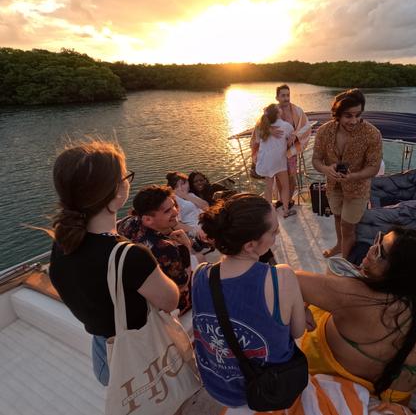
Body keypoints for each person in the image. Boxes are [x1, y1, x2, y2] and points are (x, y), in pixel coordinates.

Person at [48, 141, 179, 387]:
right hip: (140, 357)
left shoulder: (61, 242)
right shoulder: (129, 255)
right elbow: (170, 301)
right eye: (125, 176)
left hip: (103, 352)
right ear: (116, 193)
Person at [296, 227, 416, 405]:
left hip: (336, 377)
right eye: (378, 239)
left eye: (381, 253)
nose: (372, 248)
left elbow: (288, 279)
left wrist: (303, 308)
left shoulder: (358, 297)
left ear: (399, 273)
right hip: (395, 394)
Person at [191, 193, 307, 407]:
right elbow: (299, 331)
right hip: (267, 390)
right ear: (250, 246)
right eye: (273, 232)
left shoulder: (199, 274)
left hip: (218, 387)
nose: (277, 235)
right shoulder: (280, 277)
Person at [312, 88, 383, 259]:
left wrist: (352, 176)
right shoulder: (324, 131)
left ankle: (345, 261)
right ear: (337, 114)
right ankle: (339, 245)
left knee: (347, 226)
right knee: (337, 217)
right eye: (348, 116)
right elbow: (316, 160)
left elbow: (373, 168)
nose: (354, 121)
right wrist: (326, 169)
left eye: (358, 115)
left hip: (357, 189)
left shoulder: (372, 134)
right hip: (333, 186)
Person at [117, 185, 193, 315]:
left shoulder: (127, 222)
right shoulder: (166, 248)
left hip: (137, 294)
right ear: (147, 219)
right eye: (167, 211)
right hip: (167, 307)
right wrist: (186, 248)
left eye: (174, 205)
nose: (175, 212)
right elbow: (182, 284)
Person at [251, 84, 310, 209]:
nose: (286, 98)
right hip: (276, 152)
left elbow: (306, 126)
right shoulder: (271, 110)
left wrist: (295, 135)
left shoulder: (297, 110)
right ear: (277, 97)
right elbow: (258, 125)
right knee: (278, 177)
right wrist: (269, 129)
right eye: (283, 95)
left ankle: (288, 201)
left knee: (291, 176)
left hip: (290, 150)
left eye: (288, 95)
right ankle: (281, 201)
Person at [251, 103, 296, 218]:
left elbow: (255, 141)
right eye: (278, 108)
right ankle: (286, 211)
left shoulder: (260, 127)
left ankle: (270, 212)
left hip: (265, 161)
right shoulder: (286, 126)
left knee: (268, 187)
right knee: (285, 186)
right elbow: (293, 138)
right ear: (277, 113)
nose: (280, 109)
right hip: (279, 161)